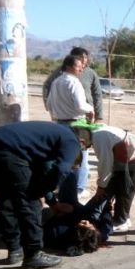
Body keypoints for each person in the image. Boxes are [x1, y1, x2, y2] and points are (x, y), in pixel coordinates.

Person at [0, 121, 82, 269]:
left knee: (5, 200)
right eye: (74, 165)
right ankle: (33, 254)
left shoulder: (44, 141)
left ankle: (14, 250)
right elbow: (60, 170)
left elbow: (41, 173)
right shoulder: (71, 141)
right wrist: (37, 193)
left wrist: (53, 203)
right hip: (9, 150)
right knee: (30, 203)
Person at [70, 120, 135, 232]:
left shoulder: (99, 137)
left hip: (134, 155)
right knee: (118, 187)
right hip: (128, 153)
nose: (83, 148)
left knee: (125, 189)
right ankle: (124, 217)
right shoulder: (97, 133)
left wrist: (101, 187)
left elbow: (105, 164)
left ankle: (121, 221)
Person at [46, 55, 95, 197]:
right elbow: (80, 105)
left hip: (59, 123)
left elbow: (49, 104)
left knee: (64, 157)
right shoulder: (74, 83)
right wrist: (90, 109)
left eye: (82, 66)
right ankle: (79, 189)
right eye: (78, 66)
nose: (81, 69)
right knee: (81, 158)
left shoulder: (56, 82)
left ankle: (63, 187)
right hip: (77, 124)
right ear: (68, 66)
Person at [43, 47, 103, 121]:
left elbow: (97, 94)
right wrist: (52, 111)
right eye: (81, 57)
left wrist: (98, 115)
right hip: (72, 117)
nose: (84, 59)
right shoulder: (61, 76)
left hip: (87, 115)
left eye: (86, 57)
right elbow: (47, 88)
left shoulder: (91, 73)